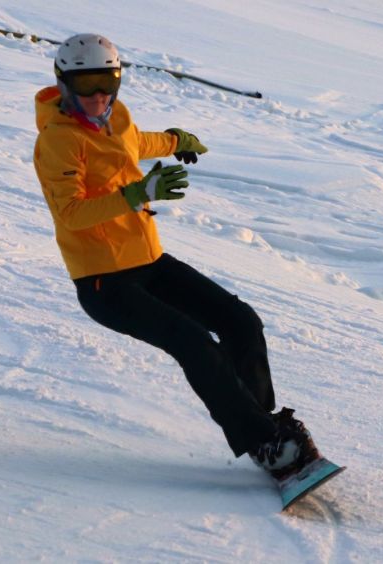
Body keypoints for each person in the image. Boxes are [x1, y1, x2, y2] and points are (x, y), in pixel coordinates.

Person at [32, 34, 319, 479]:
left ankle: (265, 434)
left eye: (106, 82)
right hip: (104, 282)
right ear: (65, 83)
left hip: (147, 261)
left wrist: (172, 140)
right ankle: (265, 441)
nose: (98, 95)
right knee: (195, 345)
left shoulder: (115, 117)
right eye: (86, 84)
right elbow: (69, 213)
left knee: (241, 321)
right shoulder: (58, 142)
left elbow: (132, 143)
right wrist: (137, 193)